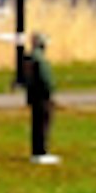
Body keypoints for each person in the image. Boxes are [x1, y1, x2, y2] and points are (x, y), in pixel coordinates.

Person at [19, 33, 59, 165]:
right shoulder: (40, 59)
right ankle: (42, 152)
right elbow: (46, 80)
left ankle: (36, 152)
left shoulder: (28, 58)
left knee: (36, 125)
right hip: (42, 97)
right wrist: (51, 92)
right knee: (43, 124)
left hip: (34, 97)